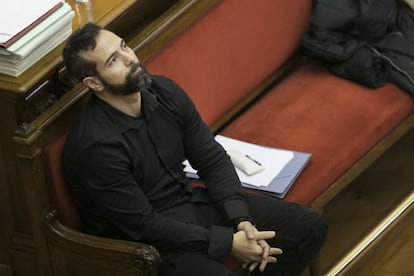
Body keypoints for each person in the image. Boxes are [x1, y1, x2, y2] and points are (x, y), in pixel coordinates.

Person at [62, 23, 327, 276]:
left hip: (190, 203)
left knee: (309, 228)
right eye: (113, 61)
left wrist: (241, 220)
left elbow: (211, 159)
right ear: (95, 83)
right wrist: (228, 243)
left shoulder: (165, 92)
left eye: (124, 47)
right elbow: (143, 225)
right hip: (150, 245)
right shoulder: (95, 147)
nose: (130, 58)